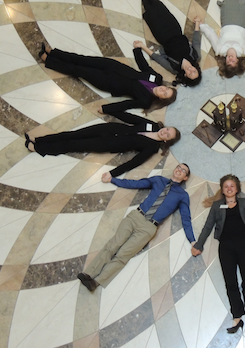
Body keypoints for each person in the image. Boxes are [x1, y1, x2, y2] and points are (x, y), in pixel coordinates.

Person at [77, 163, 194, 291]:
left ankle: (96, 282)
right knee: (113, 244)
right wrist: (113, 179)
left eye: (183, 171)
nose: (179, 170)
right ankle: (89, 273)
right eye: (178, 167)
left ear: (185, 178)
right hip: (136, 216)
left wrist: (192, 240)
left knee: (123, 254)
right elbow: (136, 183)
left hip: (149, 227)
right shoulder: (159, 180)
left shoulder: (183, 195)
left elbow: (186, 218)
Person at [191, 174, 245, 333]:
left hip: (244, 245)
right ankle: (237, 317)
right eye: (226, 186)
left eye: (232, 186)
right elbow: (208, 226)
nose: (229, 188)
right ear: (223, 190)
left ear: (237, 189)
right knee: (230, 282)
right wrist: (199, 244)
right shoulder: (217, 206)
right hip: (225, 248)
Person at [24, 111, 180, 177]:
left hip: (108, 144)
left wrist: (113, 174)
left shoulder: (152, 148)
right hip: (108, 129)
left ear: (167, 140)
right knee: (73, 134)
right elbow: (130, 118)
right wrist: (109, 110)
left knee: (72, 145)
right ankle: (40, 139)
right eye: (167, 129)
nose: (164, 132)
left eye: (167, 135)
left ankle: (38, 148)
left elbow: (133, 163)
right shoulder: (152, 125)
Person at [39, 44, 176, 113]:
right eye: (166, 89)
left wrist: (106, 109)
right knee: (81, 59)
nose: (163, 90)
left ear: (162, 99)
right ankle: (54, 52)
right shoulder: (157, 78)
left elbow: (126, 105)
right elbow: (143, 66)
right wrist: (137, 49)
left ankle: (49, 61)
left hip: (108, 82)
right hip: (113, 66)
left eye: (165, 94)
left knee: (78, 70)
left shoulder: (146, 101)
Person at [131, 0, 202, 87]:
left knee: (150, 10)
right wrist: (197, 24)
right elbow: (196, 41)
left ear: (185, 75)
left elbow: (159, 59)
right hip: (175, 29)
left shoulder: (174, 68)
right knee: (158, 6)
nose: (191, 70)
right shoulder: (196, 56)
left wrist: (143, 47)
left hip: (162, 35)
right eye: (194, 71)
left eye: (190, 74)